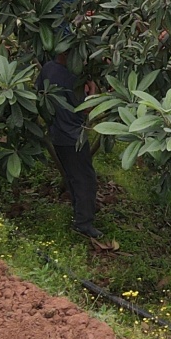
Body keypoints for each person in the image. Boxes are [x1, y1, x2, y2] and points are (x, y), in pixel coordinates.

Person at [40, 53, 114, 250]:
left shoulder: (48, 68)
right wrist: (94, 89)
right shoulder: (74, 79)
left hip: (57, 135)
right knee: (85, 179)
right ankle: (83, 224)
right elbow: (87, 109)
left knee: (74, 176)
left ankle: (79, 213)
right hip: (73, 137)